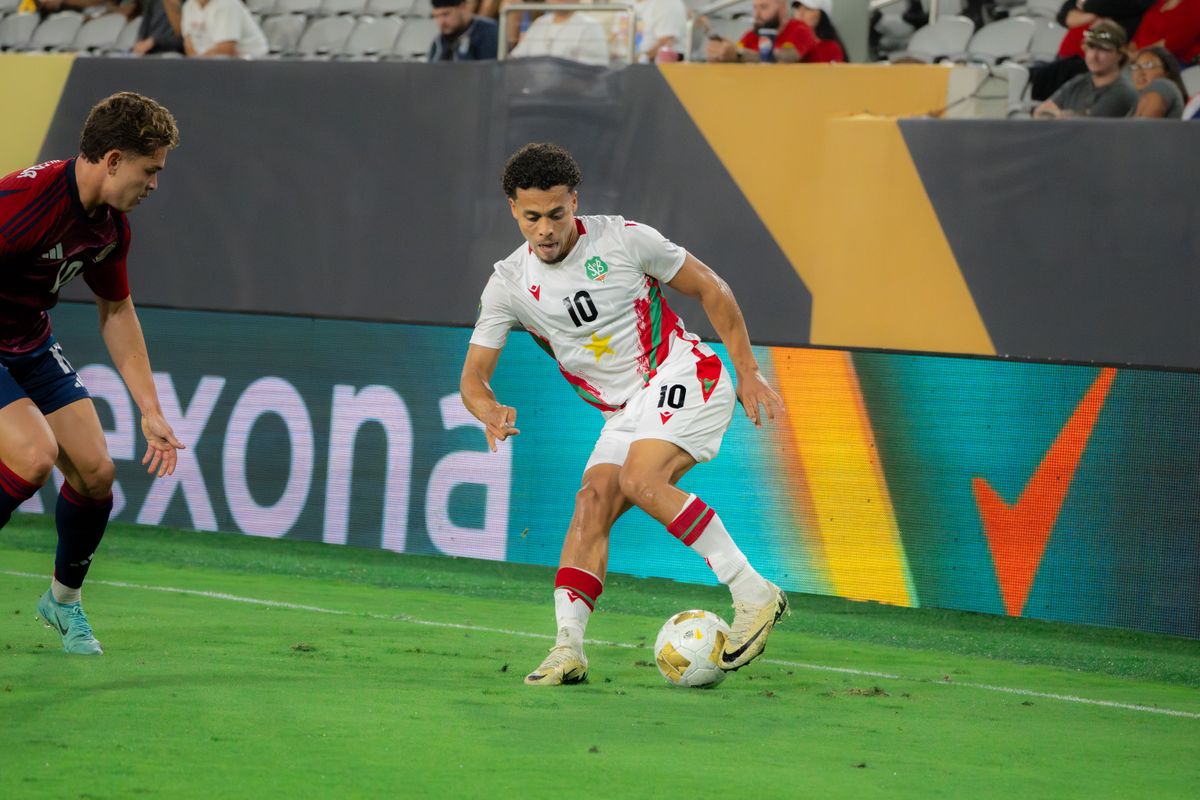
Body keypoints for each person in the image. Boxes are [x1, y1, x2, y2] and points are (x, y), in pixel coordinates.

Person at [461, 143, 789, 686]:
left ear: (575, 203)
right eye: (531, 217)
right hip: (624, 412)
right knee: (591, 504)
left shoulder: (624, 238)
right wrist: (488, 409)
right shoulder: (508, 285)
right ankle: (568, 649)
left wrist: (748, 371)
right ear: (512, 211)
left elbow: (712, 287)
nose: (545, 230)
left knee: (640, 479)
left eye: (556, 214)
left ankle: (753, 592)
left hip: (684, 372)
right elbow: (473, 377)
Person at [0, 92, 185, 655]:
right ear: (111, 160)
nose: (153, 184)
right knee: (32, 456)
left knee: (96, 472)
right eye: (148, 170)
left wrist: (150, 408)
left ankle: (63, 601)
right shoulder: (22, 202)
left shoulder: (110, 229)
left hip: (28, 339)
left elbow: (116, 311)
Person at [1029, 0, 1153, 101]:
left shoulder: (1121, 91)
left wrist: (1086, 5)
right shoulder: (1076, 83)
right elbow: (1064, 16)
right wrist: (1096, 12)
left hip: (1102, 65)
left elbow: (1125, 5)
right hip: (1068, 60)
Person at [1034, 21, 1138, 118]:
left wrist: (1058, 115)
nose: (1094, 56)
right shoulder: (1080, 82)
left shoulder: (1123, 91)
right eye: (1091, 47)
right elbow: (1040, 112)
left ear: (1120, 54)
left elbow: (1089, 126)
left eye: (1103, 49)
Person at [705, 0, 819, 63]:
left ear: (783, 10)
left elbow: (789, 57)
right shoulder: (751, 35)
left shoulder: (800, 29)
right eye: (755, 8)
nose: (757, 15)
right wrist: (720, 54)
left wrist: (738, 54)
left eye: (763, 7)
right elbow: (735, 53)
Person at [508, 0, 609, 66]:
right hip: (534, 95)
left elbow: (596, 73)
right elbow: (516, 60)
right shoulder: (540, 23)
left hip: (571, 97)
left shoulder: (590, 26)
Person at [181, 0, 268, 58]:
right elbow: (188, 45)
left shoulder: (227, 4)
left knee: (220, 58)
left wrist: (198, 64)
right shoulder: (189, 6)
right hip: (209, 64)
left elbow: (226, 49)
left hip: (250, 64)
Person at [429, 0, 499, 61]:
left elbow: (490, 69)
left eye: (445, 14)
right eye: (436, 16)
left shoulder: (487, 31)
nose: (441, 22)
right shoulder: (439, 41)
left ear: (462, 7)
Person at [1129, 46, 1187, 117]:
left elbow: (1142, 126)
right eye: (1136, 67)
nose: (1140, 72)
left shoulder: (1164, 85)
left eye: (1148, 66)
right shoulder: (1139, 98)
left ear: (1166, 71)